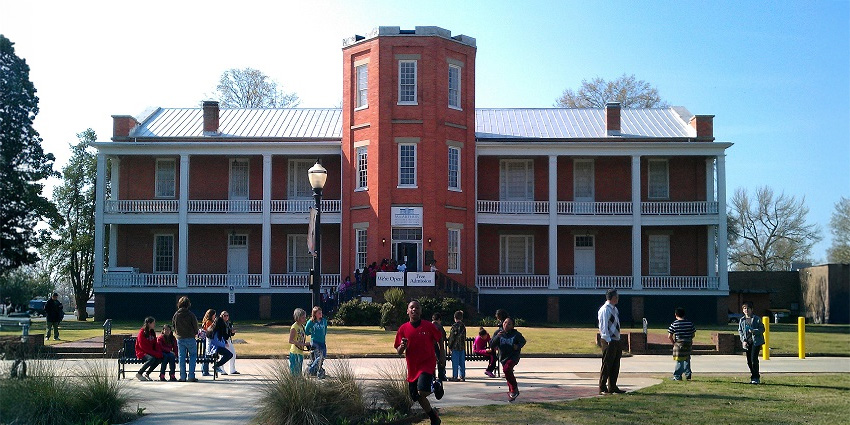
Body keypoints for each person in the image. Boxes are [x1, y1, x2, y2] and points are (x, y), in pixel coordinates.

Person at [394, 300, 445, 425]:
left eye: (417, 308)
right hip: (413, 367)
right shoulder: (403, 329)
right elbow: (399, 351)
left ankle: (435, 386)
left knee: (422, 391)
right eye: (411, 308)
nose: (414, 310)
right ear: (407, 311)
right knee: (415, 396)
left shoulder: (428, 326)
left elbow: (440, 339)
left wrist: (442, 355)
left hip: (427, 363)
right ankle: (434, 417)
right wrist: (402, 346)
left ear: (421, 311)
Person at [490, 316, 526, 402]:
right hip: (503, 357)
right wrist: (497, 337)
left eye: (509, 324)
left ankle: (514, 389)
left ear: (512, 326)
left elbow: (523, 341)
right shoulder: (498, 333)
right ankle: (512, 393)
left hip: (513, 356)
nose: (506, 325)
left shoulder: (516, 334)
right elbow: (491, 344)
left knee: (507, 369)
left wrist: (517, 346)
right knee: (507, 373)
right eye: (505, 322)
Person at [598, 289, 625, 394]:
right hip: (609, 340)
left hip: (616, 340)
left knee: (615, 364)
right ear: (613, 297)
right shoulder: (605, 310)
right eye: (617, 296)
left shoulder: (615, 309)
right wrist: (607, 339)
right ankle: (602, 387)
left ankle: (612, 386)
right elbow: (603, 326)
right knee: (607, 364)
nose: (618, 298)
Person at [172, 296, 199, 382]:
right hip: (190, 338)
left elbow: (173, 325)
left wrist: (177, 332)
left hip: (180, 338)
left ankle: (182, 376)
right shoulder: (191, 315)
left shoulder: (176, 315)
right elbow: (195, 326)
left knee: (181, 357)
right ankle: (191, 375)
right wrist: (195, 332)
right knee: (193, 356)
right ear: (188, 304)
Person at [738, 301, 765, 384]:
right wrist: (743, 340)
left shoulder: (756, 319)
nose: (746, 310)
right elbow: (740, 331)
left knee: (754, 359)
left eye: (748, 308)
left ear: (751, 309)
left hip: (756, 342)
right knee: (749, 361)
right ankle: (753, 375)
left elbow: (762, 329)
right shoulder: (742, 320)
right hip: (747, 342)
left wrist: (754, 331)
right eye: (745, 308)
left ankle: (756, 378)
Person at [667, 307, 696, 381]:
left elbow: (669, 336)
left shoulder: (675, 324)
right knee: (687, 358)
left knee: (679, 360)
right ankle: (688, 374)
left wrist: (673, 343)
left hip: (679, 343)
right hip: (688, 343)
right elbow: (693, 334)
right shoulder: (690, 323)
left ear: (676, 314)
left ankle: (677, 376)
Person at [135, 316, 162, 381]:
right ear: (149, 324)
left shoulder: (152, 332)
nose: (154, 325)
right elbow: (142, 346)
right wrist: (153, 353)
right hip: (142, 352)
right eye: (153, 323)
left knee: (159, 358)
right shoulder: (142, 332)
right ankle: (139, 373)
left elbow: (155, 344)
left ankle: (147, 373)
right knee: (151, 359)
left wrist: (157, 352)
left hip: (150, 352)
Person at [305, 306, 328, 377]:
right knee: (318, 357)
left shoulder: (324, 321)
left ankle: (318, 369)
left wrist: (324, 334)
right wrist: (311, 333)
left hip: (322, 341)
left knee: (323, 356)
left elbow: (325, 329)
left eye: (321, 312)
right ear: (315, 314)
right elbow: (306, 330)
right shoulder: (311, 322)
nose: (320, 314)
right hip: (315, 341)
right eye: (319, 313)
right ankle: (311, 370)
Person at [289, 308, 311, 375]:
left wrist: (305, 344)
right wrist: (302, 344)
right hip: (295, 352)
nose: (305, 319)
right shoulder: (294, 327)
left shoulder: (302, 327)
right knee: (294, 371)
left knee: (299, 371)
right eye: (303, 318)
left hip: (300, 352)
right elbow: (290, 340)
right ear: (298, 318)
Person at [446, 310, 466, 382]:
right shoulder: (463, 326)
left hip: (455, 347)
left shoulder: (454, 326)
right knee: (462, 362)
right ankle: (462, 376)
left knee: (455, 362)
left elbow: (452, 337)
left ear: (455, 317)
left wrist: (450, 346)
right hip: (462, 347)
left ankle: (455, 376)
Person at [431, 312, 448, 382]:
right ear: (439, 320)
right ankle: (441, 375)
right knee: (440, 360)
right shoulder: (439, 327)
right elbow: (443, 337)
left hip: (430, 345)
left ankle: (432, 376)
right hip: (438, 345)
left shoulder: (429, 326)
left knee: (431, 361)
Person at [200, 309, 216, 376]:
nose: (215, 316)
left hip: (205, 339)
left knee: (205, 354)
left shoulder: (205, 321)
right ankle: (205, 371)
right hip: (207, 340)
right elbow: (210, 331)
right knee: (207, 355)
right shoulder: (209, 322)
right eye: (214, 315)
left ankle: (204, 369)